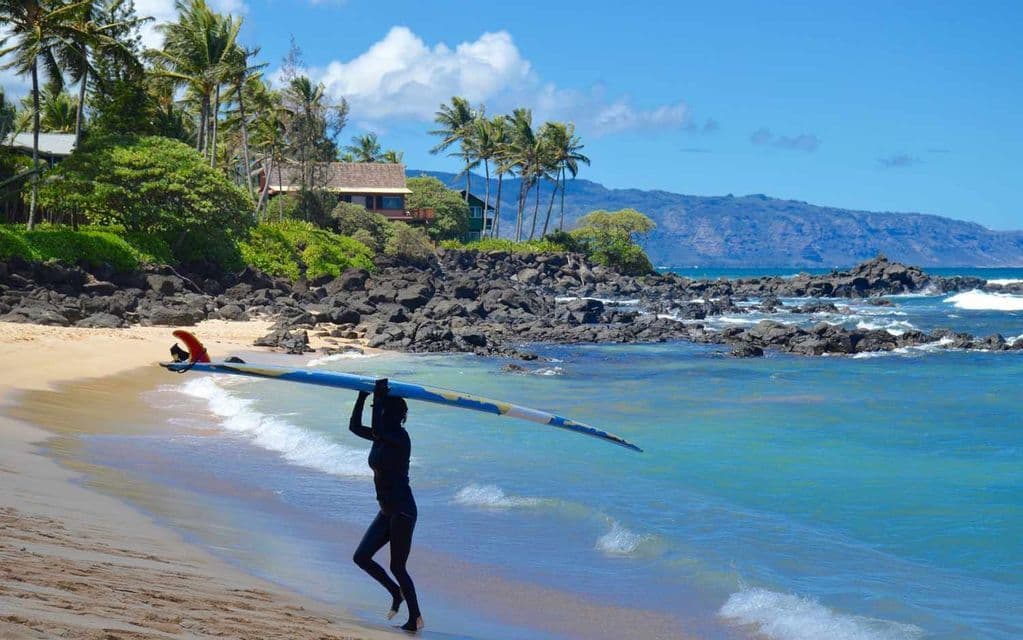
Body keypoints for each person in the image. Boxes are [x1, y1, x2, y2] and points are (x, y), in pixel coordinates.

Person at [348, 378, 424, 633]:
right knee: (361, 557)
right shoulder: (380, 437)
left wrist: (378, 397)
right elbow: (354, 427)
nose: (377, 414)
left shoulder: (400, 438)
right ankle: (395, 592)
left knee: (397, 566)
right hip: (386, 510)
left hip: (403, 510)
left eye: (380, 411)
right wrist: (362, 397)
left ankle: (416, 618)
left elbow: (379, 428)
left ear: (393, 415)